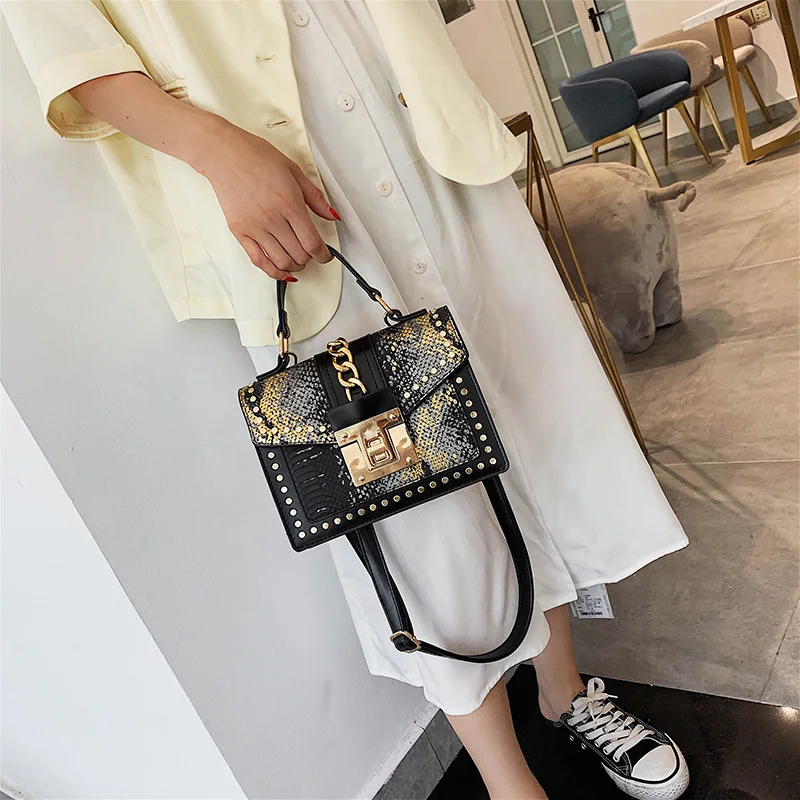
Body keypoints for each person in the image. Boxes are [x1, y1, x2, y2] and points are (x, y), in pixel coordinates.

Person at [4, 2, 691, 798]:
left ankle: (563, 692)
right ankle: (510, 783)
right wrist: (217, 152)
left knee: (525, 424)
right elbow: (73, 52)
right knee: (414, 508)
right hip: (283, 176)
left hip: (410, 117)